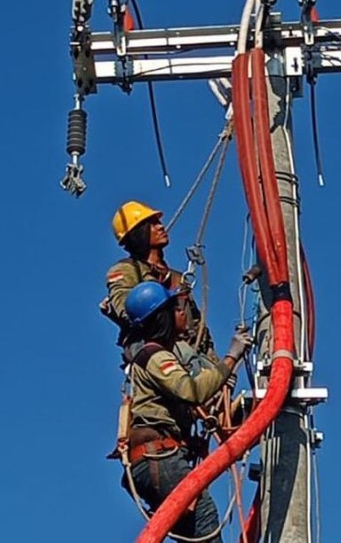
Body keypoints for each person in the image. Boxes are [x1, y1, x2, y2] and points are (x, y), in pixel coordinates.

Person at [121, 281, 252, 542]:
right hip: (159, 457)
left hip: (156, 458)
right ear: (162, 317)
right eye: (175, 309)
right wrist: (231, 356)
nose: (183, 314)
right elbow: (192, 390)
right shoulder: (156, 357)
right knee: (203, 518)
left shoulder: (157, 356)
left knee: (192, 528)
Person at [102, 201, 182, 344]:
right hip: (158, 349)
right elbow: (125, 307)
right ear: (139, 233)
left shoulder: (177, 279)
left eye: (159, 222)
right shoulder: (124, 271)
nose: (161, 226)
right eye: (153, 224)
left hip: (193, 357)